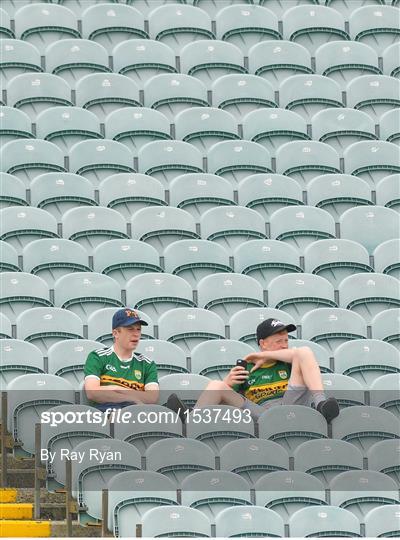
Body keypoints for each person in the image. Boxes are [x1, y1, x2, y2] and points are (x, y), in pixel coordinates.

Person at [167, 318, 339, 422]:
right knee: (216, 384)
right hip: (262, 416)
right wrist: (228, 383)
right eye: (279, 341)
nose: (284, 345)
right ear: (263, 343)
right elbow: (225, 399)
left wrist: (268, 356)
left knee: (305, 351)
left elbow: (301, 355)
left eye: (286, 340)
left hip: (291, 405)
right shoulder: (247, 369)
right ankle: (191, 419)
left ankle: (321, 405)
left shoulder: (292, 362)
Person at [84, 308, 159, 411]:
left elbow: (152, 397)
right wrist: (131, 398)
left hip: (138, 413)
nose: (136, 334)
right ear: (116, 333)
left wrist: (115, 388)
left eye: (138, 329)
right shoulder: (97, 357)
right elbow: (93, 392)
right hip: (108, 412)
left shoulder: (147, 363)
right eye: (130, 329)